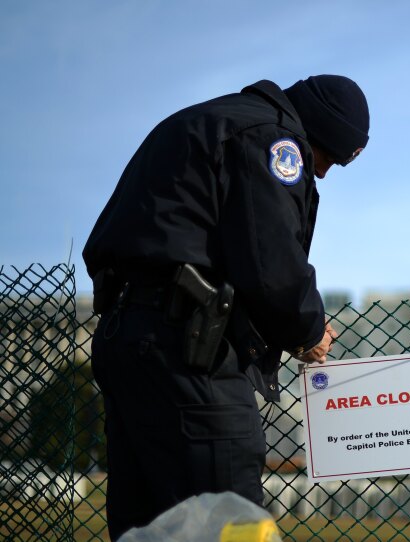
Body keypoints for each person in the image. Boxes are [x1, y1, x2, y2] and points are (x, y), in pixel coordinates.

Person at [82, 75, 369, 540]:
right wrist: (308, 329)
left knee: (148, 526)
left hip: (126, 336)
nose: (323, 173)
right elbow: (269, 257)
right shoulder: (273, 139)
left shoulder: (202, 120)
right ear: (316, 131)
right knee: (230, 518)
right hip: (190, 350)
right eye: (330, 157)